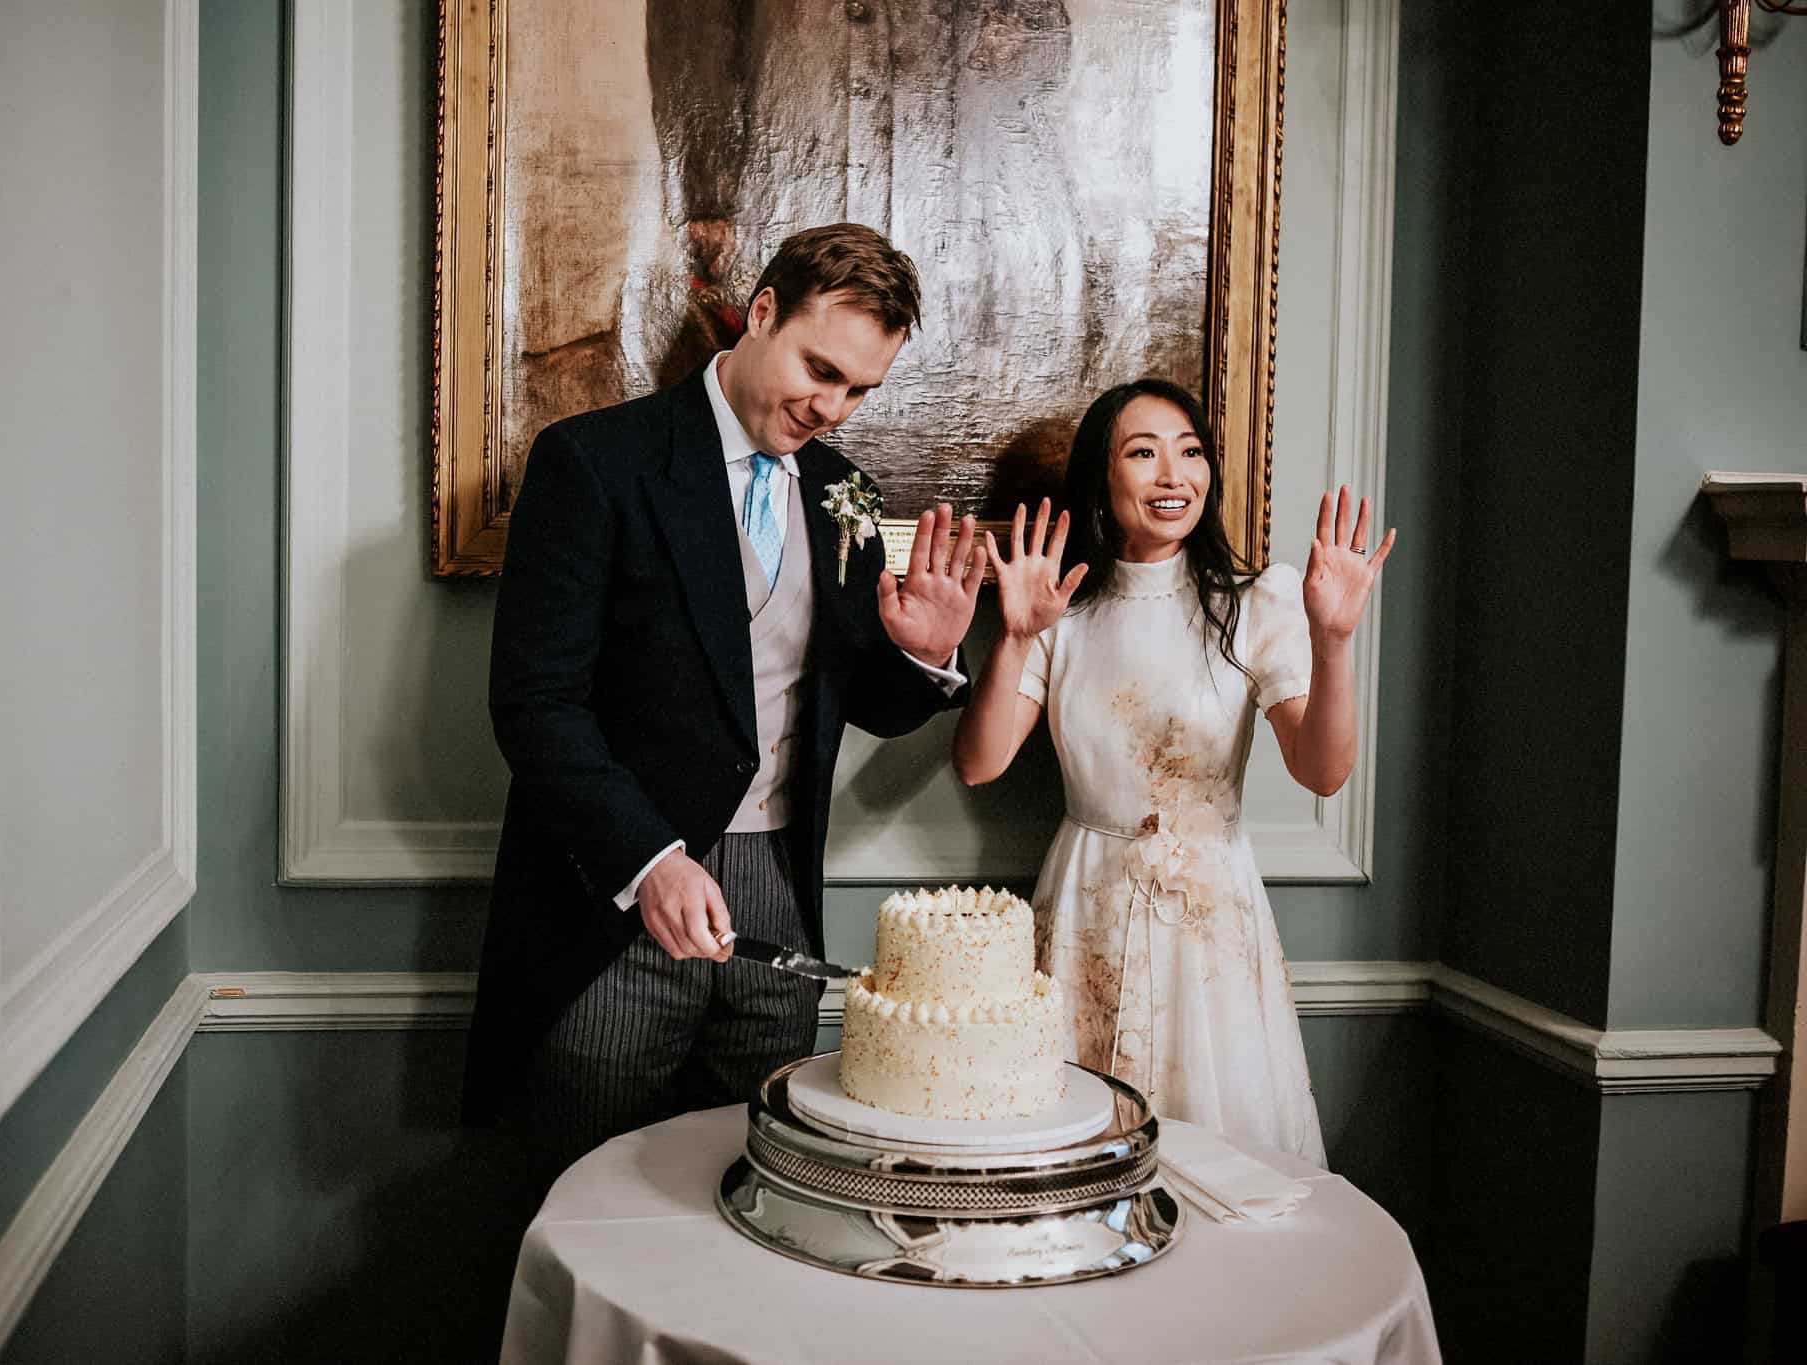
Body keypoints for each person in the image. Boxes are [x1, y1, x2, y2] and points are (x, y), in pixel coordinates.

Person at [468, 224, 985, 1176]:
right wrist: (648, 859)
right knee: (586, 1185)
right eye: (819, 368)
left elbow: (863, 699)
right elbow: (535, 702)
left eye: (860, 390)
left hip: (779, 896)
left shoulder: (848, 494)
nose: (832, 407)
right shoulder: (595, 462)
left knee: (761, 1182)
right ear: (759, 315)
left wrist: (927, 653)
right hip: (615, 897)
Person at [951, 377, 1394, 1166]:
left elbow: (1324, 772)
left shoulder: (1258, 601)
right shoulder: (1066, 611)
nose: (1173, 475)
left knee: (1220, 1162)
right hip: (1084, 901)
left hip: (1209, 913)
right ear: (1102, 474)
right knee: (1074, 1156)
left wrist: (1333, 641)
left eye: (1191, 453)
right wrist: (1017, 635)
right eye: (1144, 452)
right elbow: (981, 764)